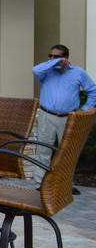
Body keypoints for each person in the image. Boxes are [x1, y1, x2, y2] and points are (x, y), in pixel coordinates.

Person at [31, 44, 96, 185]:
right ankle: (40, 184)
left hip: (68, 117)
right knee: (43, 149)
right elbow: (35, 70)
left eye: (57, 56)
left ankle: (65, 184)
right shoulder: (46, 71)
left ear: (66, 58)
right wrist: (53, 62)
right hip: (47, 115)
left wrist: (84, 109)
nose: (53, 58)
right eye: (51, 56)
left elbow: (93, 90)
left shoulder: (78, 72)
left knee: (67, 152)